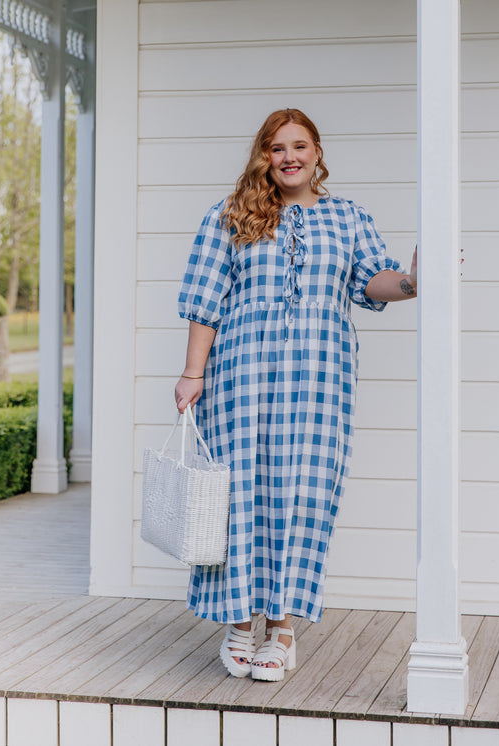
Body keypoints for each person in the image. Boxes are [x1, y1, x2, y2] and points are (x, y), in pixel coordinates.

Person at [174, 108, 417, 682]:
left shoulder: (348, 218)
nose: (289, 157)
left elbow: (372, 283)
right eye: (277, 148)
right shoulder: (231, 215)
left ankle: (281, 628)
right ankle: (240, 621)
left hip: (318, 379)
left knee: (302, 495)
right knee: (240, 497)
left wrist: (414, 281)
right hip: (240, 377)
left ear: (316, 153)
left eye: (299, 146)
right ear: (264, 156)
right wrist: (192, 374)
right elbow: (205, 302)